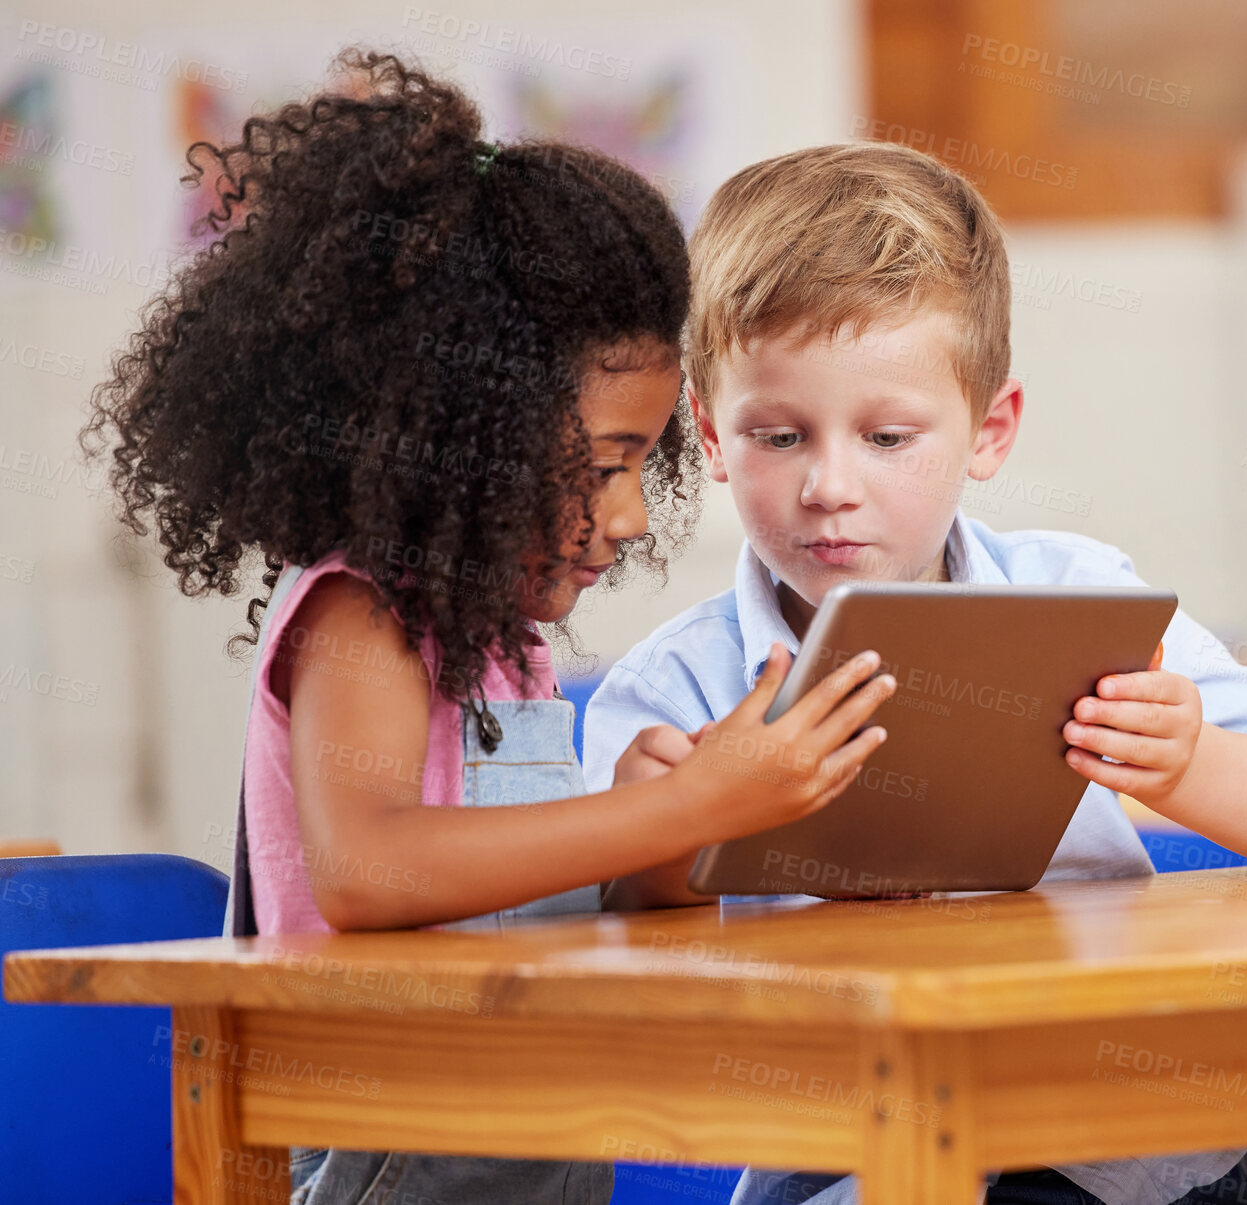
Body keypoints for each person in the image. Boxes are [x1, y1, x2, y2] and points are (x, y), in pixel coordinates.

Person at [83, 53, 894, 1205]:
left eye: (643, 465)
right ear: (466, 434)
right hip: (392, 1145)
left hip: (533, 1127)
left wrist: (673, 849)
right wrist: (672, 807)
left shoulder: (503, 646)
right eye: (606, 466)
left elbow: (530, 900)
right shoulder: (362, 612)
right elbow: (367, 868)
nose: (625, 518)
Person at [580, 141, 1247, 1205]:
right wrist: (673, 824)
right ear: (712, 441)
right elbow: (611, 945)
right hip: (847, 1144)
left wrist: (1191, 760)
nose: (829, 484)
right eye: (777, 435)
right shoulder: (674, 683)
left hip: (1109, 1133)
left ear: (988, 431)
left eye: (889, 436)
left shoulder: (1078, 598)